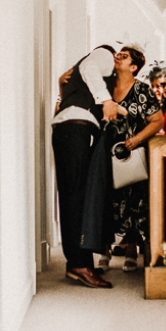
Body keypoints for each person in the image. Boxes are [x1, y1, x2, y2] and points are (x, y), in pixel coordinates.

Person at [51, 45, 119, 289]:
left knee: (74, 196)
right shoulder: (104, 55)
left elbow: (63, 106)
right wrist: (107, 100)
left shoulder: (78, 82)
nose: (120, 61)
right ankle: (80, 265)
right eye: (120, 56)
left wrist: (61, 89)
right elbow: (90, 67)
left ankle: (78, 263)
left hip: (69, 129)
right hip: (76, 130)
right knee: (77, 198)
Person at [104, 45, 164, 272]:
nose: (118, 57)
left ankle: (131, 249)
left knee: (133, 200)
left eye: (124, 56)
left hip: (132, 153)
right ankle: (104, 249)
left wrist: (136, 139)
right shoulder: (104, 86)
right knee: (107, 198)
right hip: (105, 152)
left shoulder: (143, 90)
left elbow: (157, 121)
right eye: (118, 54)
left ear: (134, 66)